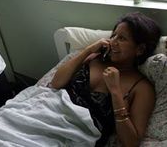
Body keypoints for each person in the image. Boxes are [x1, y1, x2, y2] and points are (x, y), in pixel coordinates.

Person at [50, 12, 161, 146]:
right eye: (113, 36)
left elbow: (131, 142)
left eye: (122, 38)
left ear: (140, 49)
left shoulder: (142, 88)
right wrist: (88, 50)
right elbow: (56, 83)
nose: (113, 42)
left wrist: (115, 92)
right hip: (50, 112)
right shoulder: (94, 59)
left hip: (76, 136)